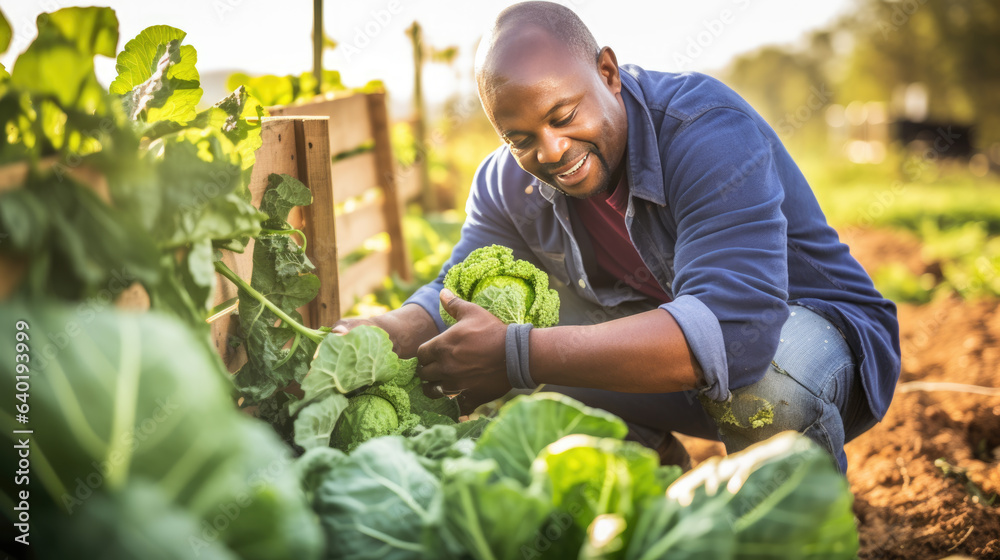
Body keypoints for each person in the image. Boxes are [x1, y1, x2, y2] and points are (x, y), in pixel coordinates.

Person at [334, 1, 901, 473]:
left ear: (607, 73)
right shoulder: (506, 182)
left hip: (808, 349)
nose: (550, 150)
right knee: (524, 370)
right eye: (520, 137)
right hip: (667, 368)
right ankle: (653, 489)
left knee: (767, 386)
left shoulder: (704, 130)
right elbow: (463, 291)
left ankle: (791, 533)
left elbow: (736, 335)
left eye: (563, 115)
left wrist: (517, 355)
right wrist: (386, 331)